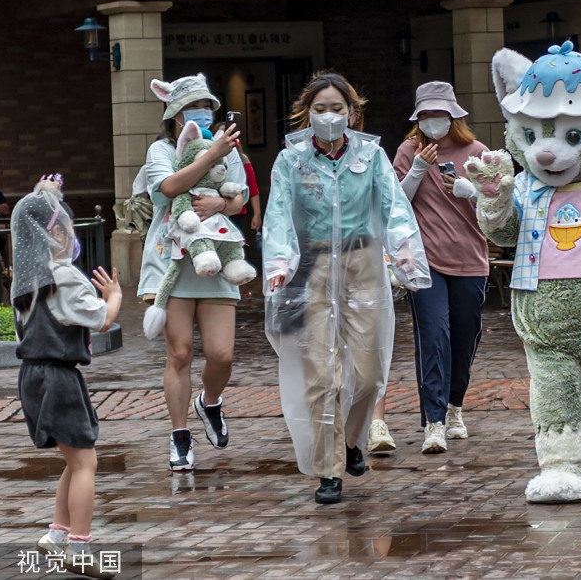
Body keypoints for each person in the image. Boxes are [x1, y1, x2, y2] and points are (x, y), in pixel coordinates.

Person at [262, 71, 430, 504]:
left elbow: (394, 208)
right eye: (320, 109)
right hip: (311, 266)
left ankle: (353, 440)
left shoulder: (371, 156)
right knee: (321, 374)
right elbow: (278, 215)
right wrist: (279, 264)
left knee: (368, 371)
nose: (329, 117)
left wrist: (407, 255)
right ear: (307, 113)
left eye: (337, 108)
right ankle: (329, 470)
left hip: (362, 265)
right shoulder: (291, 160)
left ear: (352, 113)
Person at [12, 174, 122, 578]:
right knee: (86, 462)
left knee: (74, 460)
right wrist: (115, 297)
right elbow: (101, 320)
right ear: (55, 231)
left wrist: (47, 196)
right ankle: (79, 545)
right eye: (66, 226)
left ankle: (57, 536)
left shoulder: (23, 282)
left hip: (31, 377)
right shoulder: (65, 276)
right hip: (59, 377)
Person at [140, 73, 247, 472]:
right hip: (173, 260)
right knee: (180, 352)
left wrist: (220, 206)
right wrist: (211, 153)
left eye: (206, 107)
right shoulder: (161, 150)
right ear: (173, 115)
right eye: (191, 108)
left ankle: (210, 402)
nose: (201, 114)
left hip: (216, 257)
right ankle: (180, 436)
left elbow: (239, 198)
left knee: (222, 354)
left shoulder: (227, 147)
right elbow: (170, 187)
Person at [393, 81, 490, 454]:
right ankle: (433, 422)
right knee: (434, 337)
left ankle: (454, 407)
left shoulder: (477, 152)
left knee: (465, 338)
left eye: (440, 114)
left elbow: (500, 207)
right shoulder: (407, 151)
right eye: (427, 115)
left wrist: (472, 190)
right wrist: (417, 170)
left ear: (454, 115)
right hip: (426, 262)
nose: (434, 121)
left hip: (470, 260)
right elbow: (395, 204)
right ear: (418, 119)